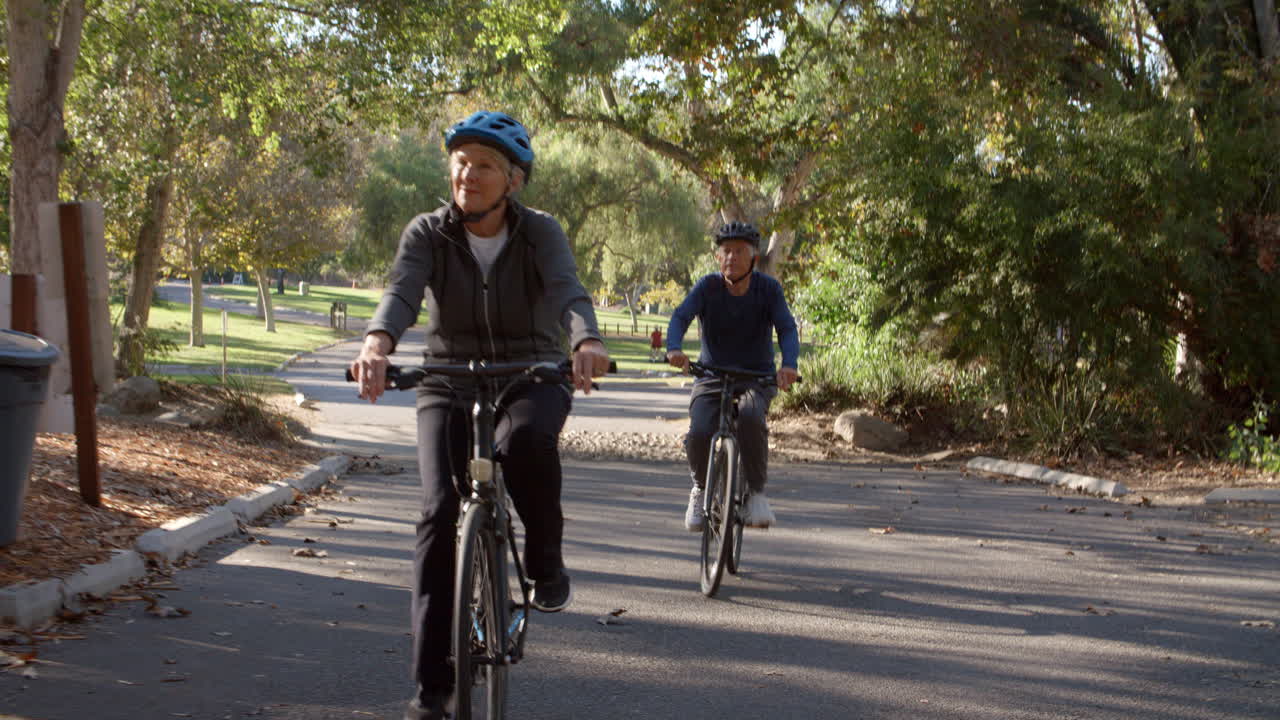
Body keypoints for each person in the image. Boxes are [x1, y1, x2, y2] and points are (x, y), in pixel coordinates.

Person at [349, 110, 610, 720]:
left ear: (514, 180)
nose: (468, 173)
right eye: (460, 161)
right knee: (438, 513)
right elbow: (402, 291)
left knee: (524, 449)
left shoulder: (541, 232)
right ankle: (430, 691)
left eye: (485, 164)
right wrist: (377, 344)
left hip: (532, 370)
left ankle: (545, 560)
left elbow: (569, 290)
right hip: (447, 375)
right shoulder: (427, 232)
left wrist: (586, 342)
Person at [665, 221, 799, 531]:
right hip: (711, 376)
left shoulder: (769, 289)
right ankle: (700, 488)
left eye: (739, 252)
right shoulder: (707, 287)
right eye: (726, 251)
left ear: (753, 258)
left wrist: (789, 364)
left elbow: (787, 328)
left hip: (757, 378)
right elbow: (680, 316)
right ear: (717, 257)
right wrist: (674, 348)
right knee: (699, 431)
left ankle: (755, 494)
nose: (731, 257)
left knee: (752, 417)